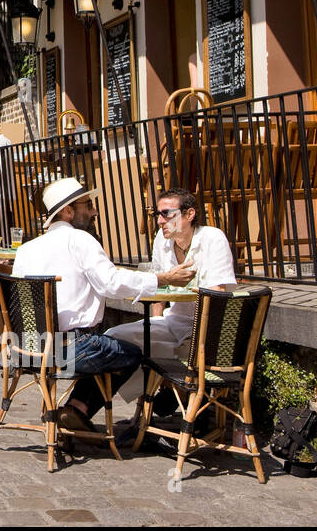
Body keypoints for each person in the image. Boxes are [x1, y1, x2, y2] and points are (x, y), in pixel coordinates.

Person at [10, 178, 194, 434]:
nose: (94, 211)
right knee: (128, 353)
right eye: (88, 205)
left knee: (106, 345)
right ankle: (82, 409)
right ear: (68, 211)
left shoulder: (26, 249)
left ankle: (75, 410)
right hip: (73, 349)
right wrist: (161, 279)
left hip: (29, 349)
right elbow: (111, 284)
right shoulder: (81, 240)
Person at [107, 188, 232, 410]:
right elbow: (159, 291)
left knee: (184, 356)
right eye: (157, 214)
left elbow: (217, 295)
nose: (159, 221)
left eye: (166, 214)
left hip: (205, 329)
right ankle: (159, 392)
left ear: (189, 214)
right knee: (114, 337)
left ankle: (177, 398)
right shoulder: (161, 242)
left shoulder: (212, 238)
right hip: (173, 322)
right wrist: (154, 321)